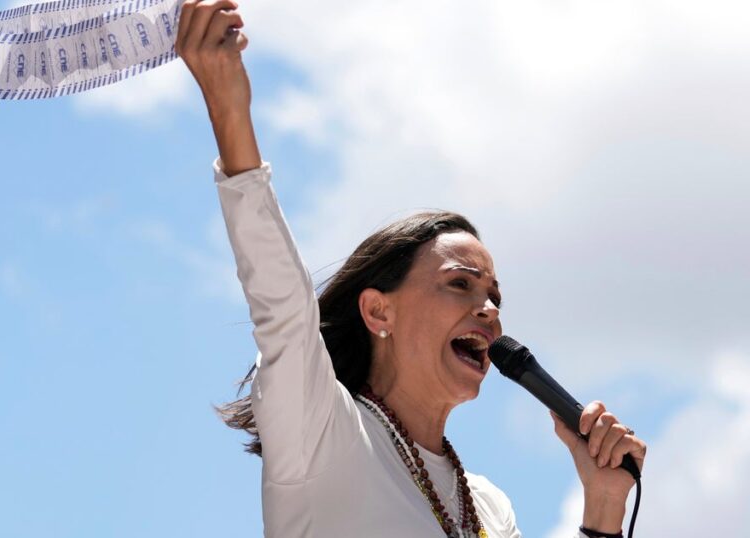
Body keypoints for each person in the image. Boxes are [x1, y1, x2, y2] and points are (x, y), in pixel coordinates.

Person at [174, 1, 648, 536]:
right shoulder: (323, 432)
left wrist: (604, 506)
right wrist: (228, 107)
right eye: (460, 284)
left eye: (496, 297)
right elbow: (282, 305)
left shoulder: (490, 507)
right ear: (379, 310)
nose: (489, 311)